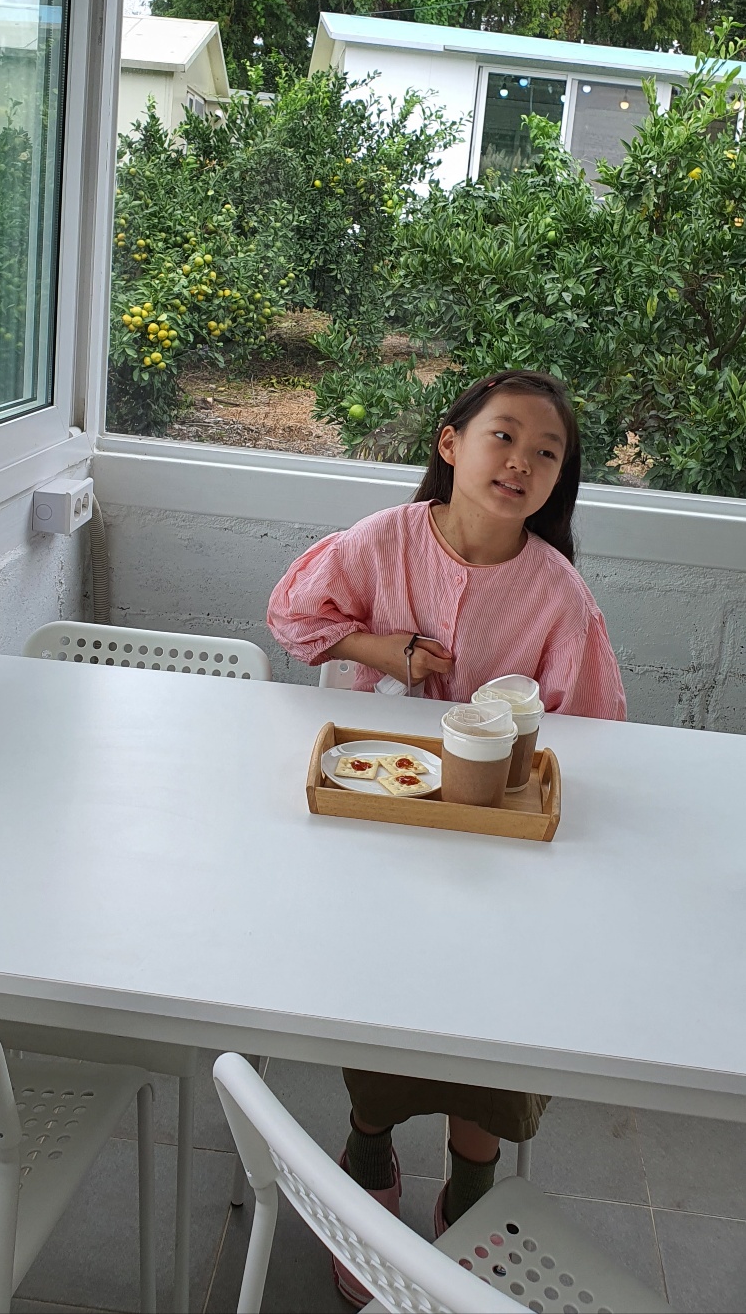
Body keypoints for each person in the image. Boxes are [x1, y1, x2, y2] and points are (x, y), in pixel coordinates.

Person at [267, 370, 625, 1305]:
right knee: (380, 985)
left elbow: (595, 730)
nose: (520, 462)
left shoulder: (558, 593)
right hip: (380, 816)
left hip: (496, 844)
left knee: (491, 1004)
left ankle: (471, 1179)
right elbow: (293, 614)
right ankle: (369, 1147)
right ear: (449, 442)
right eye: (502, 436)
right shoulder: (382, 539)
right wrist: (382, 649)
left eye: (546, 453)